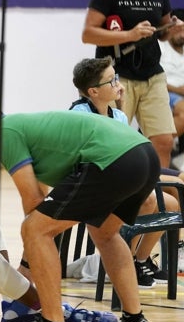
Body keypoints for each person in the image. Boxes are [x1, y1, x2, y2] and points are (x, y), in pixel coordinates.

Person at [0, 90, 159, 322]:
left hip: (112, 159)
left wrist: (27, 268)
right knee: (104, 234)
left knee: (33, 228)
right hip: (144, 156)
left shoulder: (5, 133)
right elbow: (45, 198)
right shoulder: (26, 128)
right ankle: (134, 321)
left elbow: (33, 203)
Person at [70, 56, 179, 287]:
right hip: (92, 184)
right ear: (93, 91)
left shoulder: (118, 115)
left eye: (115, 78)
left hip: (120, 180)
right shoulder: (79, 115)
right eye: (111, 81)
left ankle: (140, 259)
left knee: (170, 203)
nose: (117, 85)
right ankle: (123, 263)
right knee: (148, 201)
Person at [81, 0, 184, 169]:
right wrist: (130, 35)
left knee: (163, 141)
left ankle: (158, 193)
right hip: (115, 76)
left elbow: (163, 31)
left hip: (153, 74)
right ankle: (113, 191)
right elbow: (88, 34)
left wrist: (171, 28)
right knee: (112, 141)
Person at [159, 9, 184, 147]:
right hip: (164, 93)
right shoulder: (159, 47)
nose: (182, 35)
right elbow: (152, 79)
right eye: (179, 29)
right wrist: (178, 90)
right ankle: (153, 146)